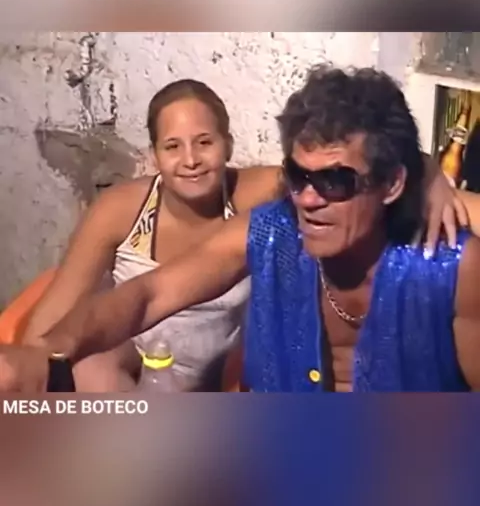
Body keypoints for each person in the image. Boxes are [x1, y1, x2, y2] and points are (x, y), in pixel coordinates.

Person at [2, 66, 478, 392]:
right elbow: (147, 295)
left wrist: (429, 174)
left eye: (335, 181)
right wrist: (49, 352)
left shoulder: (452, 267)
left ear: (392, 183)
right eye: (298, 176)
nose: (308, 198)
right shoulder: (269, 231)